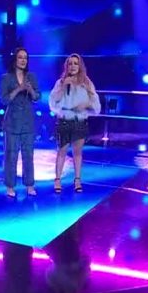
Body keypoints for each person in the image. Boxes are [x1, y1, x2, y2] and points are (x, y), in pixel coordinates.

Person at [48, 53, 101, 193]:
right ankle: (57, 180)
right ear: (66, 66)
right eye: (70, 63)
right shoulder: (61, 82)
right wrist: (63, 86)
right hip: (64, 122)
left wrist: (85, 106)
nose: (73, 66)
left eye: (75, 63)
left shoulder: (86, 82)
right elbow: (53, 102)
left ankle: (77, 180)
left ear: (80, 66)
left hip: (80, 122)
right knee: (62, 152)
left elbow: (95, 104)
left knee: (77, 153)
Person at [0, 48, 40, 197]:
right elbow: (4, 100)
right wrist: (19, 89)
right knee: (11, 155)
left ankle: (29, 184)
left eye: (25, 58)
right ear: (15, 59)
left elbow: (37, 97)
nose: (23, 60)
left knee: (28, 155)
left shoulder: (31, 77)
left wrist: (31, 90)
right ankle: (10, 186)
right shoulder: (6, 78)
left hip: (28, 121)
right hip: (12, 122)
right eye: (20, 57)